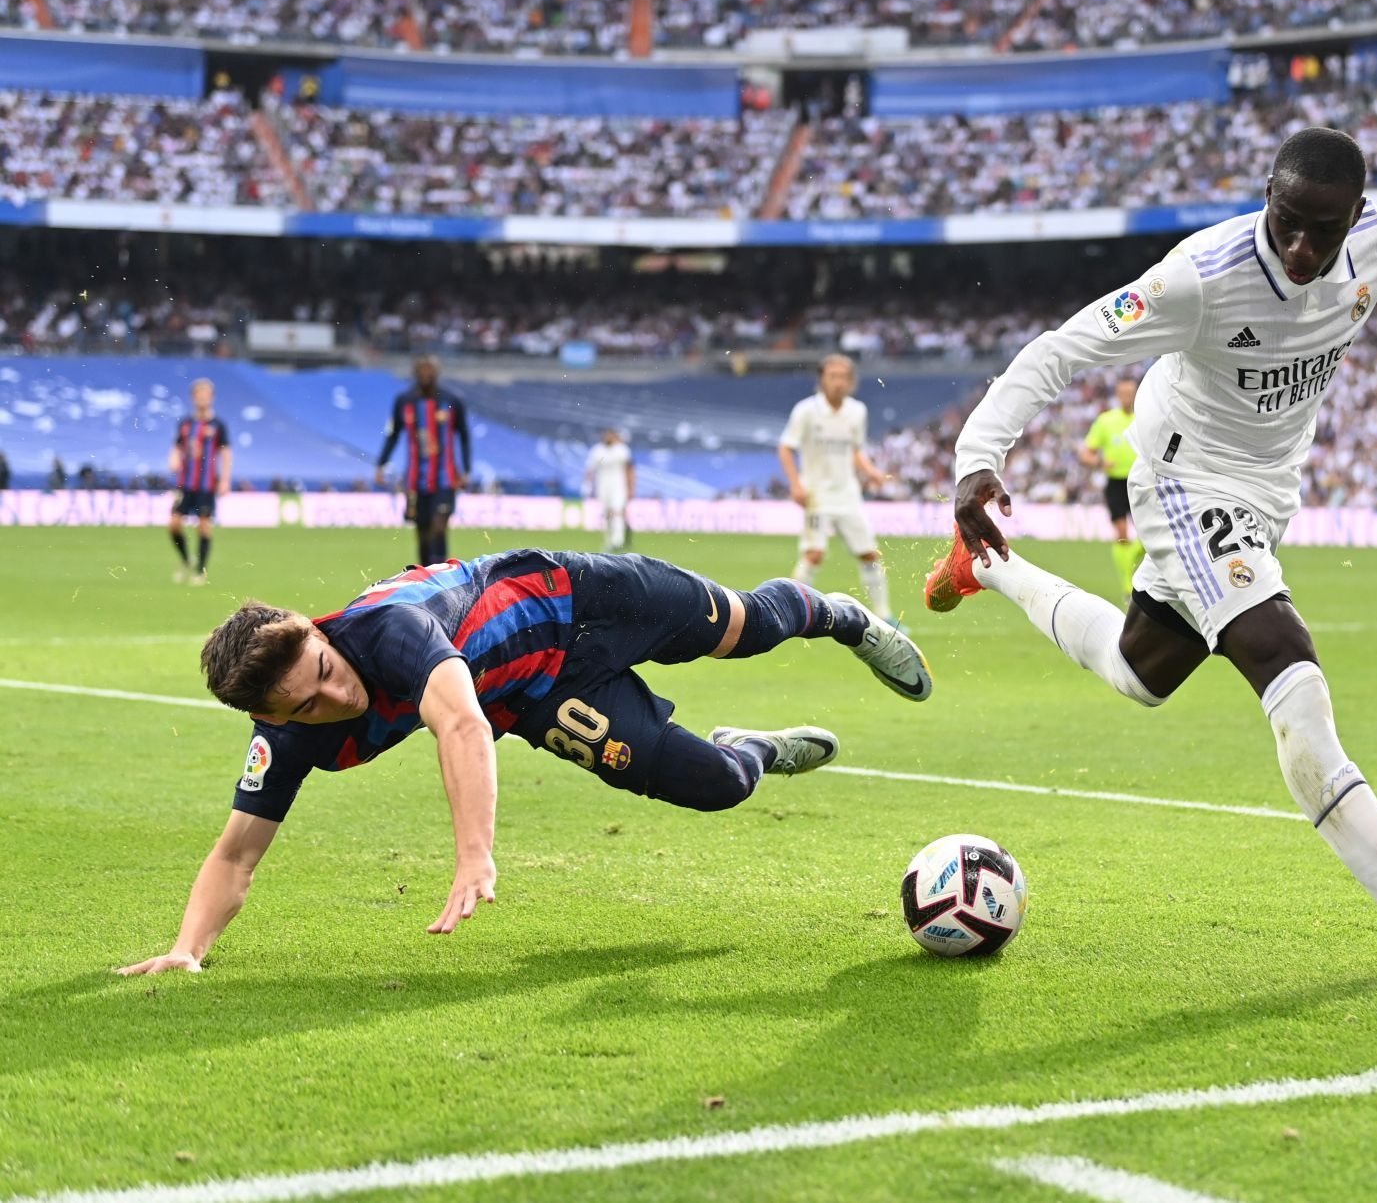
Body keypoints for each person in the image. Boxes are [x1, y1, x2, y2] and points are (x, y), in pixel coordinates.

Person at [924, 128, 1377, 986]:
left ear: (1357, 216)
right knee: (1293, 673)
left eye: (1323, 230)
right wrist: (977, 458)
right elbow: (1062, 349)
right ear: (1267, 198)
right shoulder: (1200, 276)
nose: (1300, 247)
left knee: (1143, 671)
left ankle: (984, 567)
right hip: (1184, 481)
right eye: (1286, 221)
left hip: (1267, 491)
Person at [115, 549, 932, 976]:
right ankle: (750, 747)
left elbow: (461, 727)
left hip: (583, 598)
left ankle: (844, 617)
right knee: (714, 786)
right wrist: (189, 948)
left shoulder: (390, 631)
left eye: (325, 672)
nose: (335, 698)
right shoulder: (286, 738)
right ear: (268, 716)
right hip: (537, 699)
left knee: (748, 626)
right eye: (305, 705)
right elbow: (236, 853)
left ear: (320, 633)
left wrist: (475, 852)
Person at [779, 354, 894, 621]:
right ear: (822, 379)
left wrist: (872, 471)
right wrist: (796, 484)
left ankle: (885, 616)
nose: (838, 382)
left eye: (843, 376)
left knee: (870, 554)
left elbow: (855, 450)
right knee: (814, 554)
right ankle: (786, 610)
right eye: (833, 376)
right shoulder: (806, 411)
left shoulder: (857, 411)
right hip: (817, 494)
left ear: (851, 381)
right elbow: (786, 447)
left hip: (848, 494)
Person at [375, 356, 470, 567]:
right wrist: (381, 464)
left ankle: (441, 575)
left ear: (437, 373)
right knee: (423, 531)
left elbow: (464, 435)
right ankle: (425, 576)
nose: (426, 375)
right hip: (415, 480)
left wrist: (466, 470)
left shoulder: (452, 401)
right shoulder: (404, 401)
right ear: (415, 373)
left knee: (439, 527)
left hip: (446, 478)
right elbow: (393, 434)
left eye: (430, 371)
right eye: (422, 371)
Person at [1079, 378, 1146, 593]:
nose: (1127, 397)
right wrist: (1100, 462)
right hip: (1116, 483)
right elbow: (1086, 453)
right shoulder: (1106, 421)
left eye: (1131, 393)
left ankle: (1137, 569)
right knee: (1122, 534)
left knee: (1146, 534)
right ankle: (1127, 583)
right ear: (1117, 395)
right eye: (1123, 393)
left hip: (1142, 482)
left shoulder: (1145, 418)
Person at [167, 378, 231, 586]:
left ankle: (199, 570)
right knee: (174, 524)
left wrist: (225, 479)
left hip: (207, 484)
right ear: (193, 397)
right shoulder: (186, 424)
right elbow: (177, 446)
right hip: (185, 483)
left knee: (204, 527)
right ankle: (186, 559)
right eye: (198, 394)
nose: (202, 397)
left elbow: (226, 452)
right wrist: (174, 458)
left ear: (211, 398)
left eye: (206, 394)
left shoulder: (218, 425)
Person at [584, 427, 635, 552]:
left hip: (618, 485)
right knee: (607, 514)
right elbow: (590, 469)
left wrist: (630, 488)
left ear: (614, 436)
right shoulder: (597, 450)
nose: (608, 437)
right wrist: (587, 486)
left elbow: (629, 470)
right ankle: (609, 541)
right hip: (603, 486)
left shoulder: (622, 450)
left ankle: (618, 541)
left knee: (617, 511)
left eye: (610, 435)